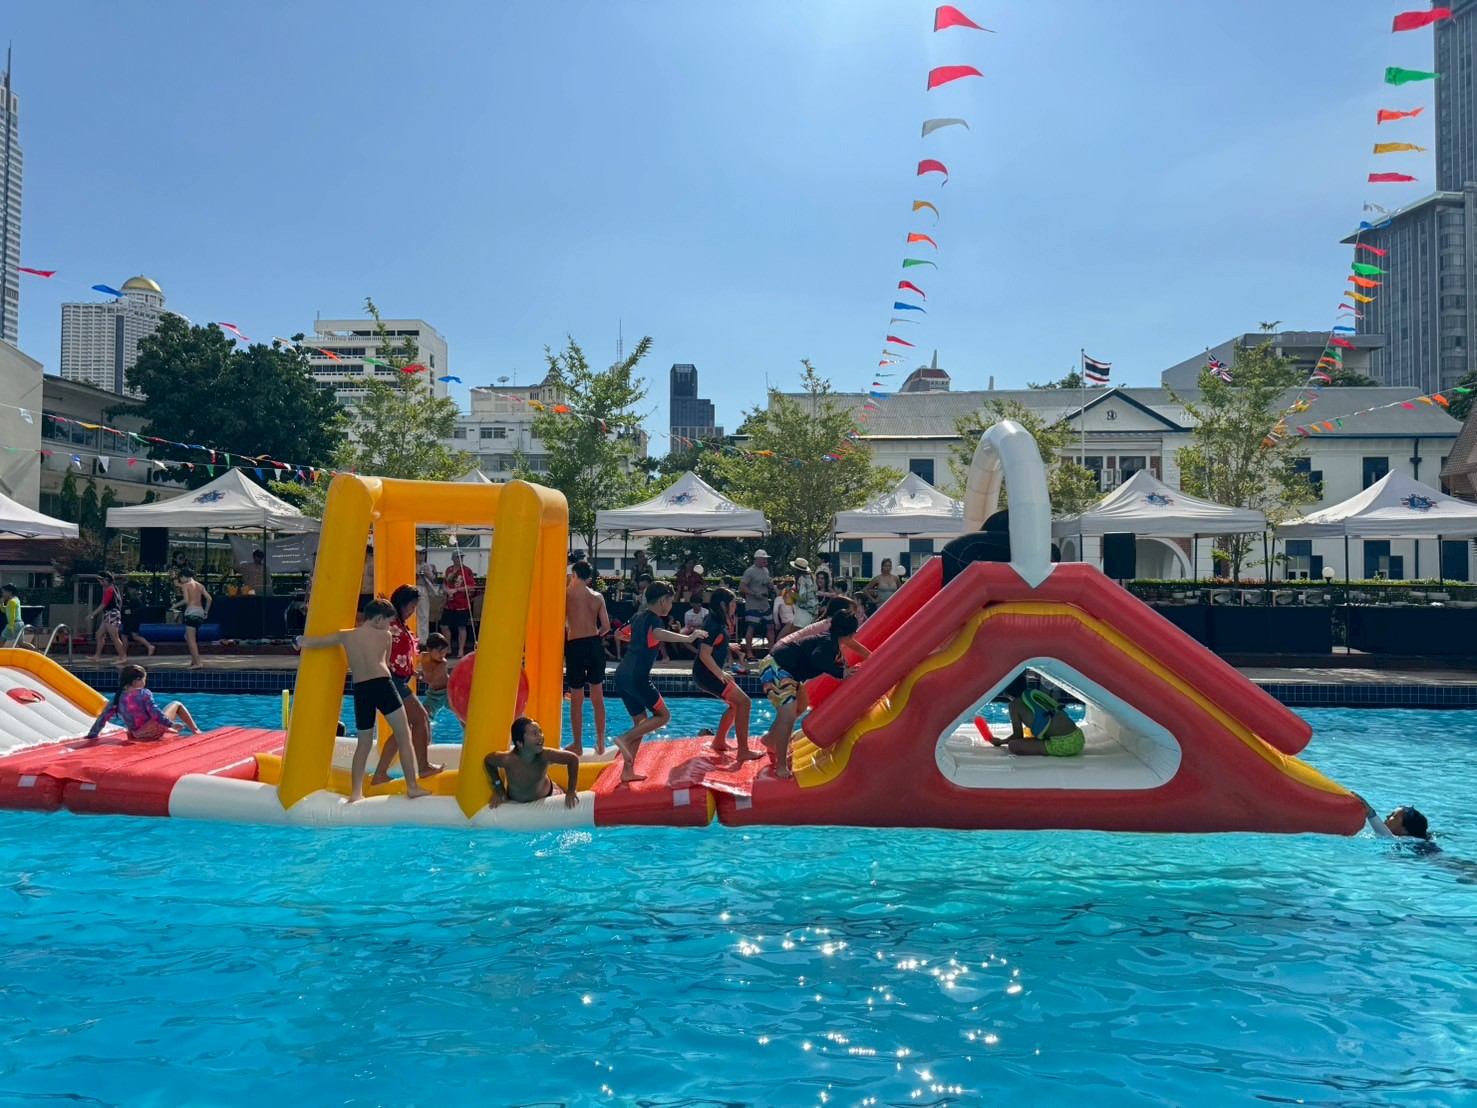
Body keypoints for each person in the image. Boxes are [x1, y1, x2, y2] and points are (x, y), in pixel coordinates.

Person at [296, 597, 429, 802]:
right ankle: (412, 786)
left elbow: (312, 642)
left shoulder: (346, 636)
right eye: (388, 622)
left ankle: (355, 793)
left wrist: (298, 641)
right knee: (403, 735)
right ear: (378, 619)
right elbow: (386, 662)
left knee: (363, 743)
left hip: (361, 690)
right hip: (383, 686)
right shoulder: (385, 636)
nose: (389, 627)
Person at [611, 582, 707, 784]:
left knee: (641, 723)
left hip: (621, 676)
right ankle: (624, 738)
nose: (671, 605)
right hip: (637, 678)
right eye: (671, 601)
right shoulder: (654, 619)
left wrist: (638, 641)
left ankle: (628, 771)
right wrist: (688, 638)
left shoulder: (638, 616)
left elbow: (618, 634)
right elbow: (657, 633)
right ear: (663, 600)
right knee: (664, 716)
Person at [759, 610, 861, 778]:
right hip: (777, 668)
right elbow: (818, 659)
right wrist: (841, 673)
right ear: (850, 634)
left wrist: (845, 670)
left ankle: (770, 740)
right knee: (788, 717)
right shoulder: (828, 643)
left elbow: (830, 661)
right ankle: (781, 766)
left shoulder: (831, 642)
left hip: (787, 671)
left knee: (801, 706)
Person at [371, 585, 443, 787]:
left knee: (403, 729)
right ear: (402, 603)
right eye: (411, 606)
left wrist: (413, 672)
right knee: (420, 718)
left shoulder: (400, 624)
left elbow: (401, 654)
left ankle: (379, 774)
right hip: (390, 679)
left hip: (398, 679)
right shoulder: (389, 621)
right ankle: (424, 767)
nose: (413, 611)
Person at [692, 588, 760, 763]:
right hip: (707, 674)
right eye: (733, 604)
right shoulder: (713, 624)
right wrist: (720, 673)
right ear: (723, 605)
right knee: (744, 702)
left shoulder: (715, 620)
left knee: (736, 705)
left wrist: (727, 646)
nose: (735, 608)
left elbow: (714, 643)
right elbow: (704, 654)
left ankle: (719, 741)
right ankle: (743, 751)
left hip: (706, 673)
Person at [564, 560, 611, 756]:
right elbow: (606, 627)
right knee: (597, 698)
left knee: (577, 699)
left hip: (575, 645)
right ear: (589, 578)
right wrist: (595, 637)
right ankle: (601, 743)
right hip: (594, 645)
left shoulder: (566, 595)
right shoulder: (597, 596)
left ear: (574, 575)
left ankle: (578, 744)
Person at [85, 663, 201, 741]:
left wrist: (91, 736)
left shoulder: (118, 696)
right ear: (137, 680)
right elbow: (155, 713)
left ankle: (167, 729)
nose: (145, 682)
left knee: (158, 722)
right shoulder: (144, 693)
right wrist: (170, 724)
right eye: (145, 679)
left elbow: (103, 718)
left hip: (136, 735)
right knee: (176, 704)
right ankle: (196, 731)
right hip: (151, 732)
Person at [485, 716, 580, 809]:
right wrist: (499, 788)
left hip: (548, 795)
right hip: (516, 801)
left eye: (540, 732)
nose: (540, 736)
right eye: (535, 733)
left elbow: (573, 759)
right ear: (519, 743)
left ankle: (559, 786)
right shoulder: (508, 759)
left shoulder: (545, 755)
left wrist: (572, 790)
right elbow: (488, 762)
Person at [993, 685, 1085, 758]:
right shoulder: (1036, 697)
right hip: (1078, 737)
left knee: (1013, 745)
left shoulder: (1014, 705)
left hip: (1063, 745)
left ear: (1007, 694)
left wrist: (1000, 741)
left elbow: (1018, 736)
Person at [1362, 796, 1440, 853]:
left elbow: (1384, 834)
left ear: (1404, 830)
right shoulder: (1418, 840)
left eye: (1393, 816)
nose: (1387, 816)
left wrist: (1369, 811)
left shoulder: (1404, 840)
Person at [442, 550, 479, 658]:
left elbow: (471, 586)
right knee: (444, 625)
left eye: (461, 557)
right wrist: (446, 590)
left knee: (461, 626)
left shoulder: (467, 570)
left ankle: (460, 650)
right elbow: (445, 583)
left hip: (462, 602)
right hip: (449, 602)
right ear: (453, 558)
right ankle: (448, 648)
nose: (460, 559)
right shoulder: (449, 570)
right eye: (457, 557)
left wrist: (456, 590)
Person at [738, 549, 773, 658]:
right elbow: (741, 587)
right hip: (753, 605)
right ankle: (749, 653)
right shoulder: (749, 571)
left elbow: (767, 584)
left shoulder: (766, 571)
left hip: (765, 604)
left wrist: (770, 584)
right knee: (751, 627)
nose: (765, 560)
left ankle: (771, 652)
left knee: (770, 626)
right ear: (757, 559)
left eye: (766, 558)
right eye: (763, 558)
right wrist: (754, 594)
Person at [89, 571, 129, 665]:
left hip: (112, 614)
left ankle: (123, 657)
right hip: (109, 614)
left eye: (101, 580)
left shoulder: (110, 589)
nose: (99, 582)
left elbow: (103, 604)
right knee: (99, 635)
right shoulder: (111, 588)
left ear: (106, 580)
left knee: (114, 637)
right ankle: (97, 656)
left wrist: (92, 614)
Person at [176, 568, 212, 669]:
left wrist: (174, 605)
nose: (180, 581)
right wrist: (206, 611)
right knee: (187, 637)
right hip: (200, 612)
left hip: (191, 612)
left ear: (183, 576)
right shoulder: (200, 585)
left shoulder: (186, 585)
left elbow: (186, 600)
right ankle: (194, 660)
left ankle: (198, 663)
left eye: (180, 579)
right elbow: (209, 599)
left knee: (191, 639)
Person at [419, 632, 452, 723]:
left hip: (447, 692)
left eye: (444, 652)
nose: (442, 655)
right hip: (433, 693)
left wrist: (416, 674)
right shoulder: (422, 656)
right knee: (423, 716)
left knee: (461, 714)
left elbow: (431, 679)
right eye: (439, 651)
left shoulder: (443, 663)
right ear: (428, 649)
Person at [120, 583, 155, 656]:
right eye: (128, 589)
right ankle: (149, 646)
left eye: (130, 589)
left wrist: (131, 611)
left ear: (135, 590)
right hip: (134, 620)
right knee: (134, 636)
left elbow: (140, 609)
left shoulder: (135, 599)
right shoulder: (136, 597)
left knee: (124, 636)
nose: (129, 591)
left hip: (131, 620)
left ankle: (123, 654)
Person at [416, 550, 441, 635]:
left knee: (424, 615)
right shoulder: (410, 564)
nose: (422, 555)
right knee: (411, 614)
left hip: (423, 589)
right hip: (412, 588)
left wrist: (427, 574)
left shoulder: (426, 565)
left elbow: (434, 580)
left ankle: (423, 638)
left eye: (424, 553)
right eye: (420, 553)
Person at [790, 558, 818, 628]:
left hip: (804, 611)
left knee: (800, 632)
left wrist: (791, 594)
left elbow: (802, 597)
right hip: (813, 609)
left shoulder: (801, 579)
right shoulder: (811, 577)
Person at [0, 583, 25, 648]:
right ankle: (36, 651)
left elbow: (12, 616)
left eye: (3, 592)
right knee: (21, 643)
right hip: (18, 624)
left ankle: (2, 654)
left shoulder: (12, 601)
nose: (2, 594)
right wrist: (2, 603)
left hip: (13, 624)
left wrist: (11, 627)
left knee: (1, 642)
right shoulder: (14, 599)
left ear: (9, 592)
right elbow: (4, 610)